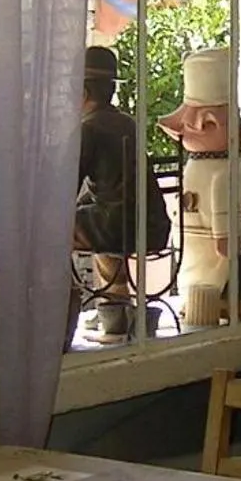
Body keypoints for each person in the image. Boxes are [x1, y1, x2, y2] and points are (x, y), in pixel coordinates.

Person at [72, 46, 171, 342]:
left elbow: (65, 184)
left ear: (83, 92)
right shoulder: (127, 123)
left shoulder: (88, 129)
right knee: (92, 218)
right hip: (151, 226)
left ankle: (71, 311)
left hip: (115, 228)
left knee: (48, 230)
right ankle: (114, 311)